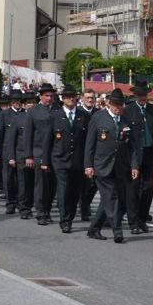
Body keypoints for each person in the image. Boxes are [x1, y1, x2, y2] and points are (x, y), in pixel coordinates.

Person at [85, 89, 140, 243]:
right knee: (111, 197)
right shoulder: (98, 118)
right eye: (115, 104)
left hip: (120, 166)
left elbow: (133, 146)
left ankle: (94, 228)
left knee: (109, 199)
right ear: (109, 103)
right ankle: (117, 231)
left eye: (120, 104)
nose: (118, 107)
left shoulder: (126, 120)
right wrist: (88, 165)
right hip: (102, 165)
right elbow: (89, 144)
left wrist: (134, 166)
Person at [51, 85, 90, 233]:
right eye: (67, 97)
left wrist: (88, 162)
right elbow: (49, 140)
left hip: (78, 161)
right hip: (60, 160)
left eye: (73, 96)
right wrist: (45, 161)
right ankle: (65, 220)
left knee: (74, 192)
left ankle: (70, 217)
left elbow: (88, 141)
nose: (71, 99)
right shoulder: (55, 116)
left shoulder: (83, 116)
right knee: (63, 190)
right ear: (63, 99)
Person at [123, 81, 153, 234]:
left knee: (149, 187)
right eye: (139, 94)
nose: (142, 97)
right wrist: (132, 162)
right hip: (134, 154)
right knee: (133, 188)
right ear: (135, 95)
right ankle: (133, 222)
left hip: (151, 153)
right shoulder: (127, 111)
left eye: (144, 94)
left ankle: (142, 218)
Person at [26, 83, 58, 226]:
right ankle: (40, 212)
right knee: (41, 185)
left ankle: (48, 210)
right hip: (39, 152)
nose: (49, 98)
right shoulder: (33, 111)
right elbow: (28, 135)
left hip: (55, 153)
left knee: (52, 185)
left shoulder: (57, 110)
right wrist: (29, 155)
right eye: (46, 96)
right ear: (40, 96)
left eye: (51, 96)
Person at [0, 90, 25, 215]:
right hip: (7, 151)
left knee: (21, 180)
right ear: (11, 101)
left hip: (21, 151)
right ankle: (10, 203)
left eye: (20, 100)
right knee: (8, 179)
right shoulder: (4, 114)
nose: (18, 102)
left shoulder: (26, 114)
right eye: (15, 100)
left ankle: (21, 203)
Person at [77, 89, 98, 221]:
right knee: (84, 184)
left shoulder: (99, 113)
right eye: (87, 97)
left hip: (96, 153)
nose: (90, 100)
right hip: (81, 152)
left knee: (95, 184)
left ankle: (85, 204)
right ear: (82, 98)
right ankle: (84, 208)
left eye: (92, 98)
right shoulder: (78, 113)